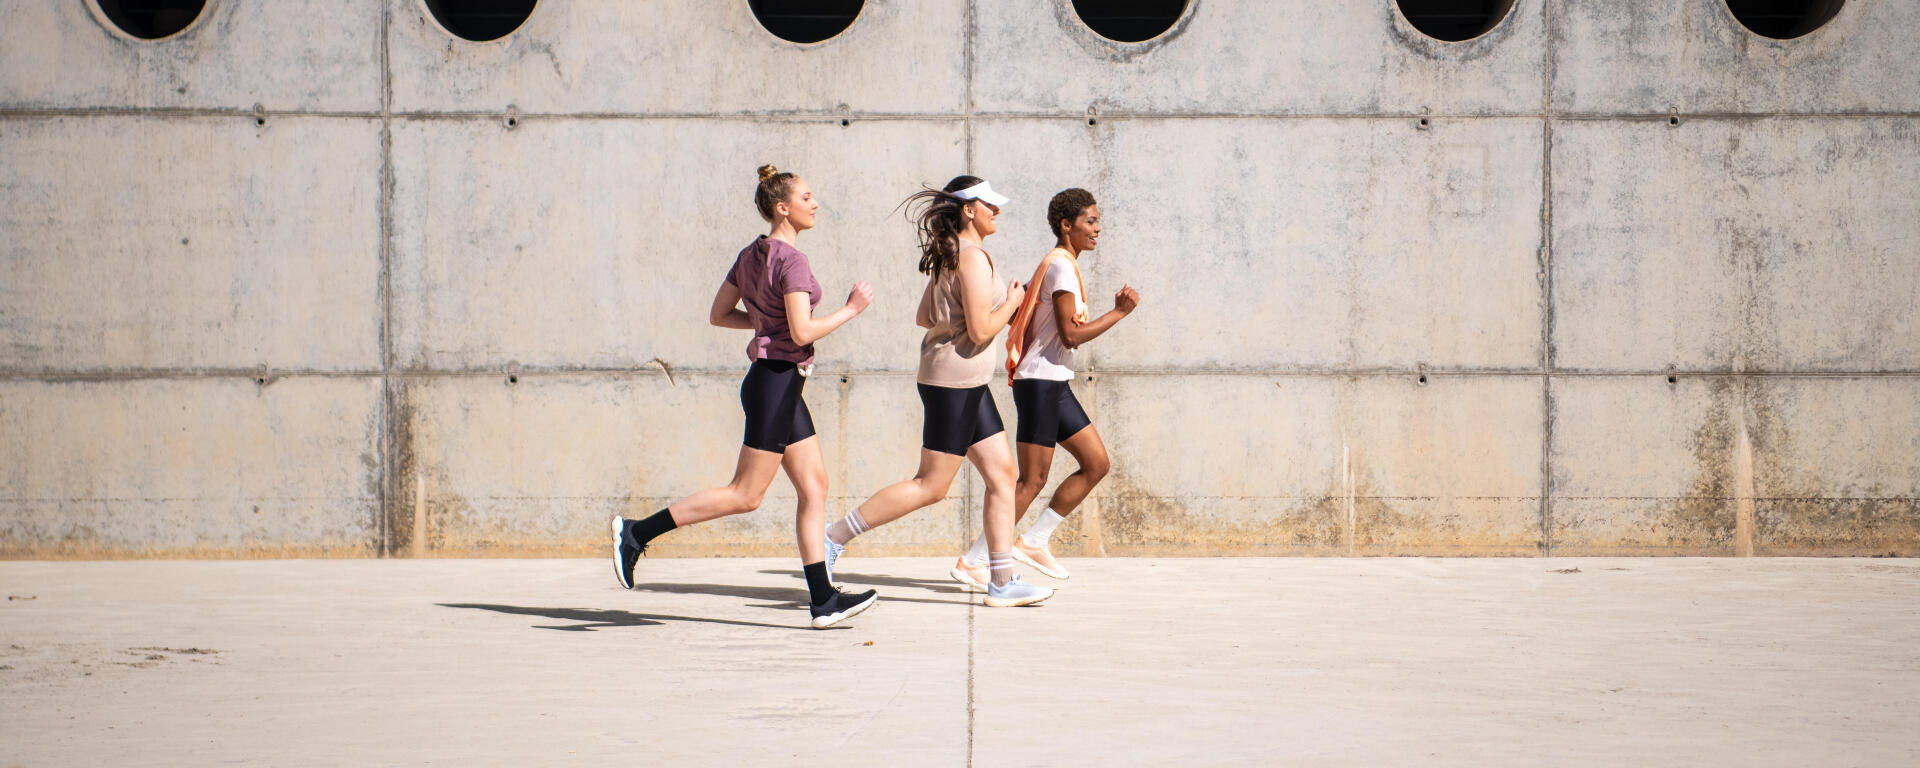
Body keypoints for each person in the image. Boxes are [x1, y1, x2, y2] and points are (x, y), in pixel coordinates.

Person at [612, 164, 879, 629]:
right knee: (745, 494)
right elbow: (802, 330)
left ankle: (822, 600)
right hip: (775, 384)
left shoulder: (751, 254)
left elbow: (720, 314)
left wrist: (762, 327)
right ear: (784, 207)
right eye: (807, 197)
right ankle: (636, 532)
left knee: (814, 487)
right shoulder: (793, 261)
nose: (815, 204)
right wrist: (851, 309)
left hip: (778, 382)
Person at [823, 176, 1053, 608]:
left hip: (963, 380)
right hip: (955, 384)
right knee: (931, 485)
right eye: (990, 205)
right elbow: (982, 328)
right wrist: (1014, 301)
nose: (996, 211)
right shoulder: (971, 258)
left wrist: (959, 313)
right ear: (969, 210)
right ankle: (833, 538)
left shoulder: (953, 255)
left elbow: (925, 316)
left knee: (1003, 476)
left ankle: (1000, 579)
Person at [953, 187, 1138, 583]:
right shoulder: (1061, 267)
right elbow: (1072, 335)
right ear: (1066, 225)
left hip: (1054, 382)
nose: (1098, 229)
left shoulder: (1063, 264)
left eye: (1097, 221)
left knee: (1096, 464)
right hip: (1039, 383)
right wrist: (1119, 314)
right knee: (1030, 480)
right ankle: (975, 558)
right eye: (1090, 221)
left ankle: (1034, 541)